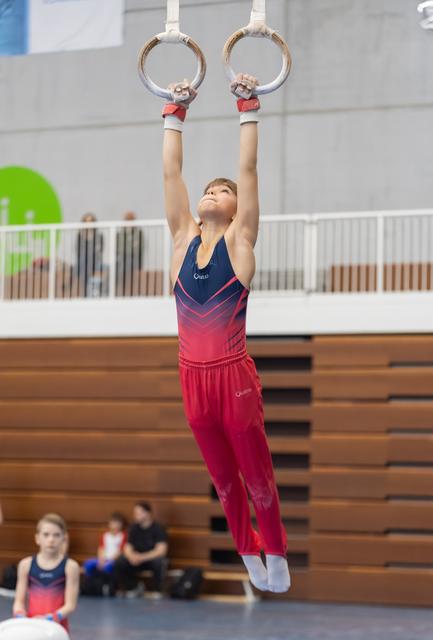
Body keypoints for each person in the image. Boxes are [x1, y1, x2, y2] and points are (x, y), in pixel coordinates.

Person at [161, 74, 291, 593]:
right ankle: (246, 549)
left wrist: (248, 106)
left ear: (238, 211)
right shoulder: (180, 242)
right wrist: (174, 112)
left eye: (224, 192)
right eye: (210, 190)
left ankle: (276, 549)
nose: (215, 192)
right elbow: (171, 172)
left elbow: (249, 169)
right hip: (192, 378)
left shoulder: (241, 244)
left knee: (256, 474)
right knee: (223, 480)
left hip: (234, 377)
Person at [12, 513, 80, 634]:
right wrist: (20, 616)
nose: (51, 540)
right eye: (46, 535)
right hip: (32, 626)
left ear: (64, 538)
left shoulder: (70, 567)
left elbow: (70, 605)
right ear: (37, 538)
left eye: (56, 535)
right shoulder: (25, 565)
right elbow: (18, 601)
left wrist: (50, 618)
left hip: (57, 628)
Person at [113, 502, 168, 597]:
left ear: (147, 513)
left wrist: (142, 557)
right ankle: (133, 587)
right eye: (135, 513)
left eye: (138, 513)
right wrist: (131, 556)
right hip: (136, 560)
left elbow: (161, 550)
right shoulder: (133, 528)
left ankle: (157, 590)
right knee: (120, 561)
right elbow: (127, 547)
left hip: (150, 559)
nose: (135, 516)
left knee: (160, 561)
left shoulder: (158, 528)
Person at [82, 512, 127, 581]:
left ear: (121, 524)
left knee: (107, 567)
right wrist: (101, 560)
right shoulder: (105, 535)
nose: (115, 525)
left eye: (118, 523)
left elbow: (121, 551)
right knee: (88, 564)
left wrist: (111, 560)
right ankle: (90, 582)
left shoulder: (123, 536)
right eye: (113, 523)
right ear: (109, 524)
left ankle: (104, 585)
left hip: (114, 560)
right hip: (103, 559)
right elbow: (101, 548)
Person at [75, 212, 104, 297]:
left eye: (91, 221)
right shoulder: (80, 235)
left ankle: (91, 292)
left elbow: (100, 250)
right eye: (87, 221)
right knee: (83, 261)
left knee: (89, 262)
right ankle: (85, 293)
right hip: (84, 261)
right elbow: (78, 250)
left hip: (95, 260)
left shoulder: (99, 236)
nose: (89, 223)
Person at [116, 211, 144, 296]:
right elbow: (119, 249)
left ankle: (128, 291)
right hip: (122, 258)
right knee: (119, 265)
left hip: (134, 259)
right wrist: (131, 245)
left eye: (131, 220)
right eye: (127, 220)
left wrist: (129, 247)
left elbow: (139, 248)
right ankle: (120, 290)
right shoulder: (120, 234)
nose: (129, 223)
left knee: (127, 263)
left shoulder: (138, 233)